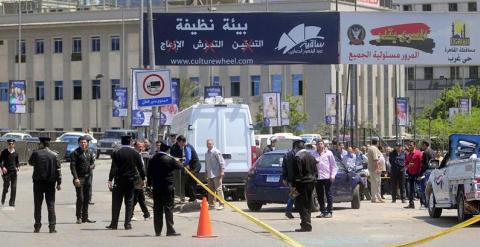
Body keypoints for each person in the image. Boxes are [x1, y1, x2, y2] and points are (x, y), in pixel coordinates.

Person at [106, 135, 145, 230]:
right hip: (131, 181)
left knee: (116, 203)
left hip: (119, 181)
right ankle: (127, 224)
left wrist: (110, 180)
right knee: (129, 202)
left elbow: (113, 168)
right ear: (130, 142)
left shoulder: (116, 152)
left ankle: (114, 224)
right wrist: (143, 179)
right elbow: (141, 168)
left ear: (121, 142)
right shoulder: (135, 153)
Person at [147, 141, 183, 236]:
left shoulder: (153, 159)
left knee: (157, 208)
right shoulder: (169, 159)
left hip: (156, 187)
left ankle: (157, 230)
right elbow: (180, 166)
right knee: (168, 207)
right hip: (167, 187)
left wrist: (149, 184)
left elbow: (149, 173)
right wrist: (176, 160)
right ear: (167, 150)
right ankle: (170, 229)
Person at [29, 137, 62, 233]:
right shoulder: (55, 154)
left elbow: (30, 163)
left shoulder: (36, 153)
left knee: (37, 205)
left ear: (42, 144)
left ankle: (37, 226)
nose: (39, 145)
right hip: (50, 184)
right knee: (51, 205)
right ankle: (52, 227)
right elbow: (58, 170)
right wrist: (59, 183)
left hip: (38, 183)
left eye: (39, 143)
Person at [292, 142, 318, 232]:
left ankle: (305, 224)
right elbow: (316, 171)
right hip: (311, 182)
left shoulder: (298, 157)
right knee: (308, 203)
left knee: (301, 204)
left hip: (302, 184)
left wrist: (294, 186)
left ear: (296, 148)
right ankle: (307, 223)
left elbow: (298, 174)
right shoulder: (311, 156)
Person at [70, 135, 96, 224]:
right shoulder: (75, 153)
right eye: (81, 142)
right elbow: (72, 167)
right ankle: (79, 216)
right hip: (79, 178)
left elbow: (93, 163)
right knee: (80, 198)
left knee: (86, 198)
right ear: (79, 143)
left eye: (85, 142)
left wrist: (91, 167)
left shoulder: (90, 152)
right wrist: (75, 178)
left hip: (88, 178)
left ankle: (85, 217)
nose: (83, 144)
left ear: (87, 143)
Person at [170, 135, 200, 202]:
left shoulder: (187, 147)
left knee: (191, 183)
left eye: (178, 142)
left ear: (181, 142)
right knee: (189, 182)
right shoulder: (186, 146)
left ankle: (193, 199)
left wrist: (184, 164)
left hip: (195, 167)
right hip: (192, 166)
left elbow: (188, 158)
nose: (178, 144)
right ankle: (192, 198)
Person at [312, 139, 337, 218]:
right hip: (318, 177)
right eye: (318, 144)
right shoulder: (313, 154)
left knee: (328, 194)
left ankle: (329, 211)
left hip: (327, 177)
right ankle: (323, 211)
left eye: (321, 144)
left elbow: (333, 166)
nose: (320, 145)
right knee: (319, 195)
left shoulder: (329, 153)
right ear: (316, 145)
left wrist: (333, 175)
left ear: (324, 145)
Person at [282, 140, 305, 219]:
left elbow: (284, 168)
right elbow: (284, 167)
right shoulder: (293, 155)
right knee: (294, 195)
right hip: (294, 179)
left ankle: (292, 211)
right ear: (296, 147)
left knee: (295, 195)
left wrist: (284, 178)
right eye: (299, 147)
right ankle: (288, 211)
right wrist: (284, 178)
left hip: (293, 179)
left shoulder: (287, 155)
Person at [131, 141, 151, 221]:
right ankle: (130, 214)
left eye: (142, 146)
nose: (141, 148)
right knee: (136, 198)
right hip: (136, 179)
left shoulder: (140, 155)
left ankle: (146, 214)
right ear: (135, 146)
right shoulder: (133, 155)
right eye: (139, 146)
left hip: (140, 179)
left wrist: (144, 177)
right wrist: (142, 179)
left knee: (141, 197)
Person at [205, 139, 226, 210]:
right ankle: (211, 204)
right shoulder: (206, 153)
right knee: (210, 190)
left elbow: (222, 162)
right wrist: (206, 172)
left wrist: (222, 171)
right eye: (208, 144)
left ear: (213, 144)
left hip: (217, 174)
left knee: (218, 189)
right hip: (210, 174)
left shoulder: (216, 152)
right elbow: (206, 164)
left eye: (210, 144)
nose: (209, 145)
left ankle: (221, 204)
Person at [404, 140, 423, 209]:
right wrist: (408, 166)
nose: (409, 146)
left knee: (419, 189)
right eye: (408, 145)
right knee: (410, 189)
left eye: (411, 145)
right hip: (410, 174)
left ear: (414, 146)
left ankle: (422, 204)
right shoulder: (408, 155)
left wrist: (420, 173)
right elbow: (405, 164)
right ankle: (411, 204)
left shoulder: (419, 153)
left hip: (418, 174)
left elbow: (421, 164)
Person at [1, 139, 20, 207]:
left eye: (12, 144)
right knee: (6, 187)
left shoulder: (16, 153)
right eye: (9, 144)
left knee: (14, 188)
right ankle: (3, 198)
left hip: (14, 172)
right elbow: (0, 162)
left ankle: (12, 202)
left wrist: (17, 167)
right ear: (7, 144)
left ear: (14, 144)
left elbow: (17, 162)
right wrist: (3, 167)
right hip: (6, 173)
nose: (10, 145)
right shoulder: (4, 152)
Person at [367, 137, 384, 203]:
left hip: (372, 168)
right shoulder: (373, 148)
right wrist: (378, 168)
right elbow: (375, 159)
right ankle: (378, 197)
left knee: (374, 183)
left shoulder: (370, 148)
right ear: (377, 142)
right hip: (375, 168)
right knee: (377, 183)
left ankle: (374, 197)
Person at [419, 140, 435, 209]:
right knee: (431, 188)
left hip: (426, 172)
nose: (422, 147)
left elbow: (424, 164)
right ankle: (430, 203)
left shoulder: (425, 152)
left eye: (422, 145)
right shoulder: (433, 151)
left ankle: (426, 204)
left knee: (425, 188)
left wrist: (420, 173)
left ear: (425, 145)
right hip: (433, 171)